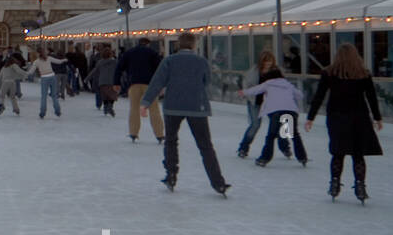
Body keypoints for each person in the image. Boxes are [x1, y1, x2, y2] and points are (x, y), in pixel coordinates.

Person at [140, 32, 231, 196]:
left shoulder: (169, 61)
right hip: (197, 107)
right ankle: (218, 182)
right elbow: (207, 81)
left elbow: (157, 81)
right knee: (205, 145)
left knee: (171, 141)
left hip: (173, 106)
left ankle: (171, 174)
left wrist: (146, 103)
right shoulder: (201, 61)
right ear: (194, 45)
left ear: (178, 44)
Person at [305, 43, 382, 203]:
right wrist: (377, 117)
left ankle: (334, 183)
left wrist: (310, 117)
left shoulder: (329, 73)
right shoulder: (363, 74)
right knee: (358, 153)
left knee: (338, 152)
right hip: (359, 117)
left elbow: (319, 96)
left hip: (336, 117)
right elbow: (371, 97)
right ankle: (360, 185)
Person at [239, 68, 308, 167]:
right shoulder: (288, 85)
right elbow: (300, 95)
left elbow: (255, 90)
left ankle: (264, 158)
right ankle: (302, 157)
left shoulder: (268, 84)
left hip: (276, 112)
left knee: (271, 136)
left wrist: (244, 92)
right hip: (290, 111)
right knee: (294, 135)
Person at [237, 51, 290, 159]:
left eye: (269, 61)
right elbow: (246, 84)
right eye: (265, 61)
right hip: (255, 102)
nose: (267, 64)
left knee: (279, 125)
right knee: (255, 125)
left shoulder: (276, 71)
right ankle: (243, 148)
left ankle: (285, 148)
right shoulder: (254, 71)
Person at [116, 37, 164, 143]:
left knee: (134, 109)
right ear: (148, 44)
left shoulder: (129, 53)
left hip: (134, 84)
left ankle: (133, 133)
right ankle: (159, 134)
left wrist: (116, 83)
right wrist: (161, 84)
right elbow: (160, 69)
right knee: (154, 109)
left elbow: (119, 67)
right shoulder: (152, 53)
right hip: (150, 85)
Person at [28, 47, 60, 119]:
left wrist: (25, 74)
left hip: (44, 78)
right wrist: (64, 60)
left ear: (38, 53)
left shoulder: (36, 61)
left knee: (44, 96)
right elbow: (58, 61)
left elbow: (31, 71)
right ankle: (57, 111)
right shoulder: (48, 58)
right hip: (52, 76)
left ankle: (42, 112)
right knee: (54, 95)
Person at [91, 43, 120, 116]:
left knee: (104, 96)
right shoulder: (115, 62)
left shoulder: (100, 62)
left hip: (102, 82)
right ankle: (110, 106)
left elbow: (94, 71)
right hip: (112, 81)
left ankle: (106, 108)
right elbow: (120, 70)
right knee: (112, 95)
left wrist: (87, 79)